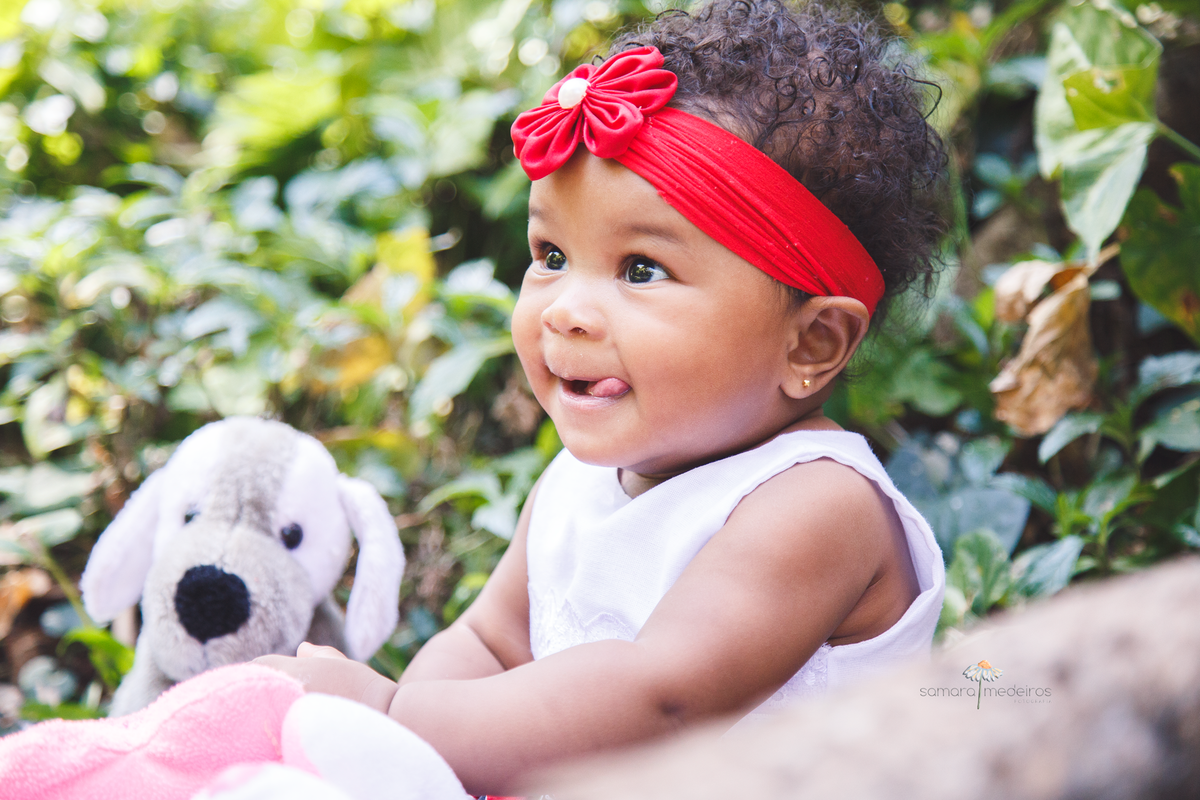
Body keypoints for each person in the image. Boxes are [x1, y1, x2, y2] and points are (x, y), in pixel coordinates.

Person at [257, 0, 949, 794]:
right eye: (551, 255)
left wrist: (392, 714)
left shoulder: (818, 505)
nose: (565, 309)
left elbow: (659, 701)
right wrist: (406, 754)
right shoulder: (576, 484)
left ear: (812, 343)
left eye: (640, 270)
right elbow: (490, 643)